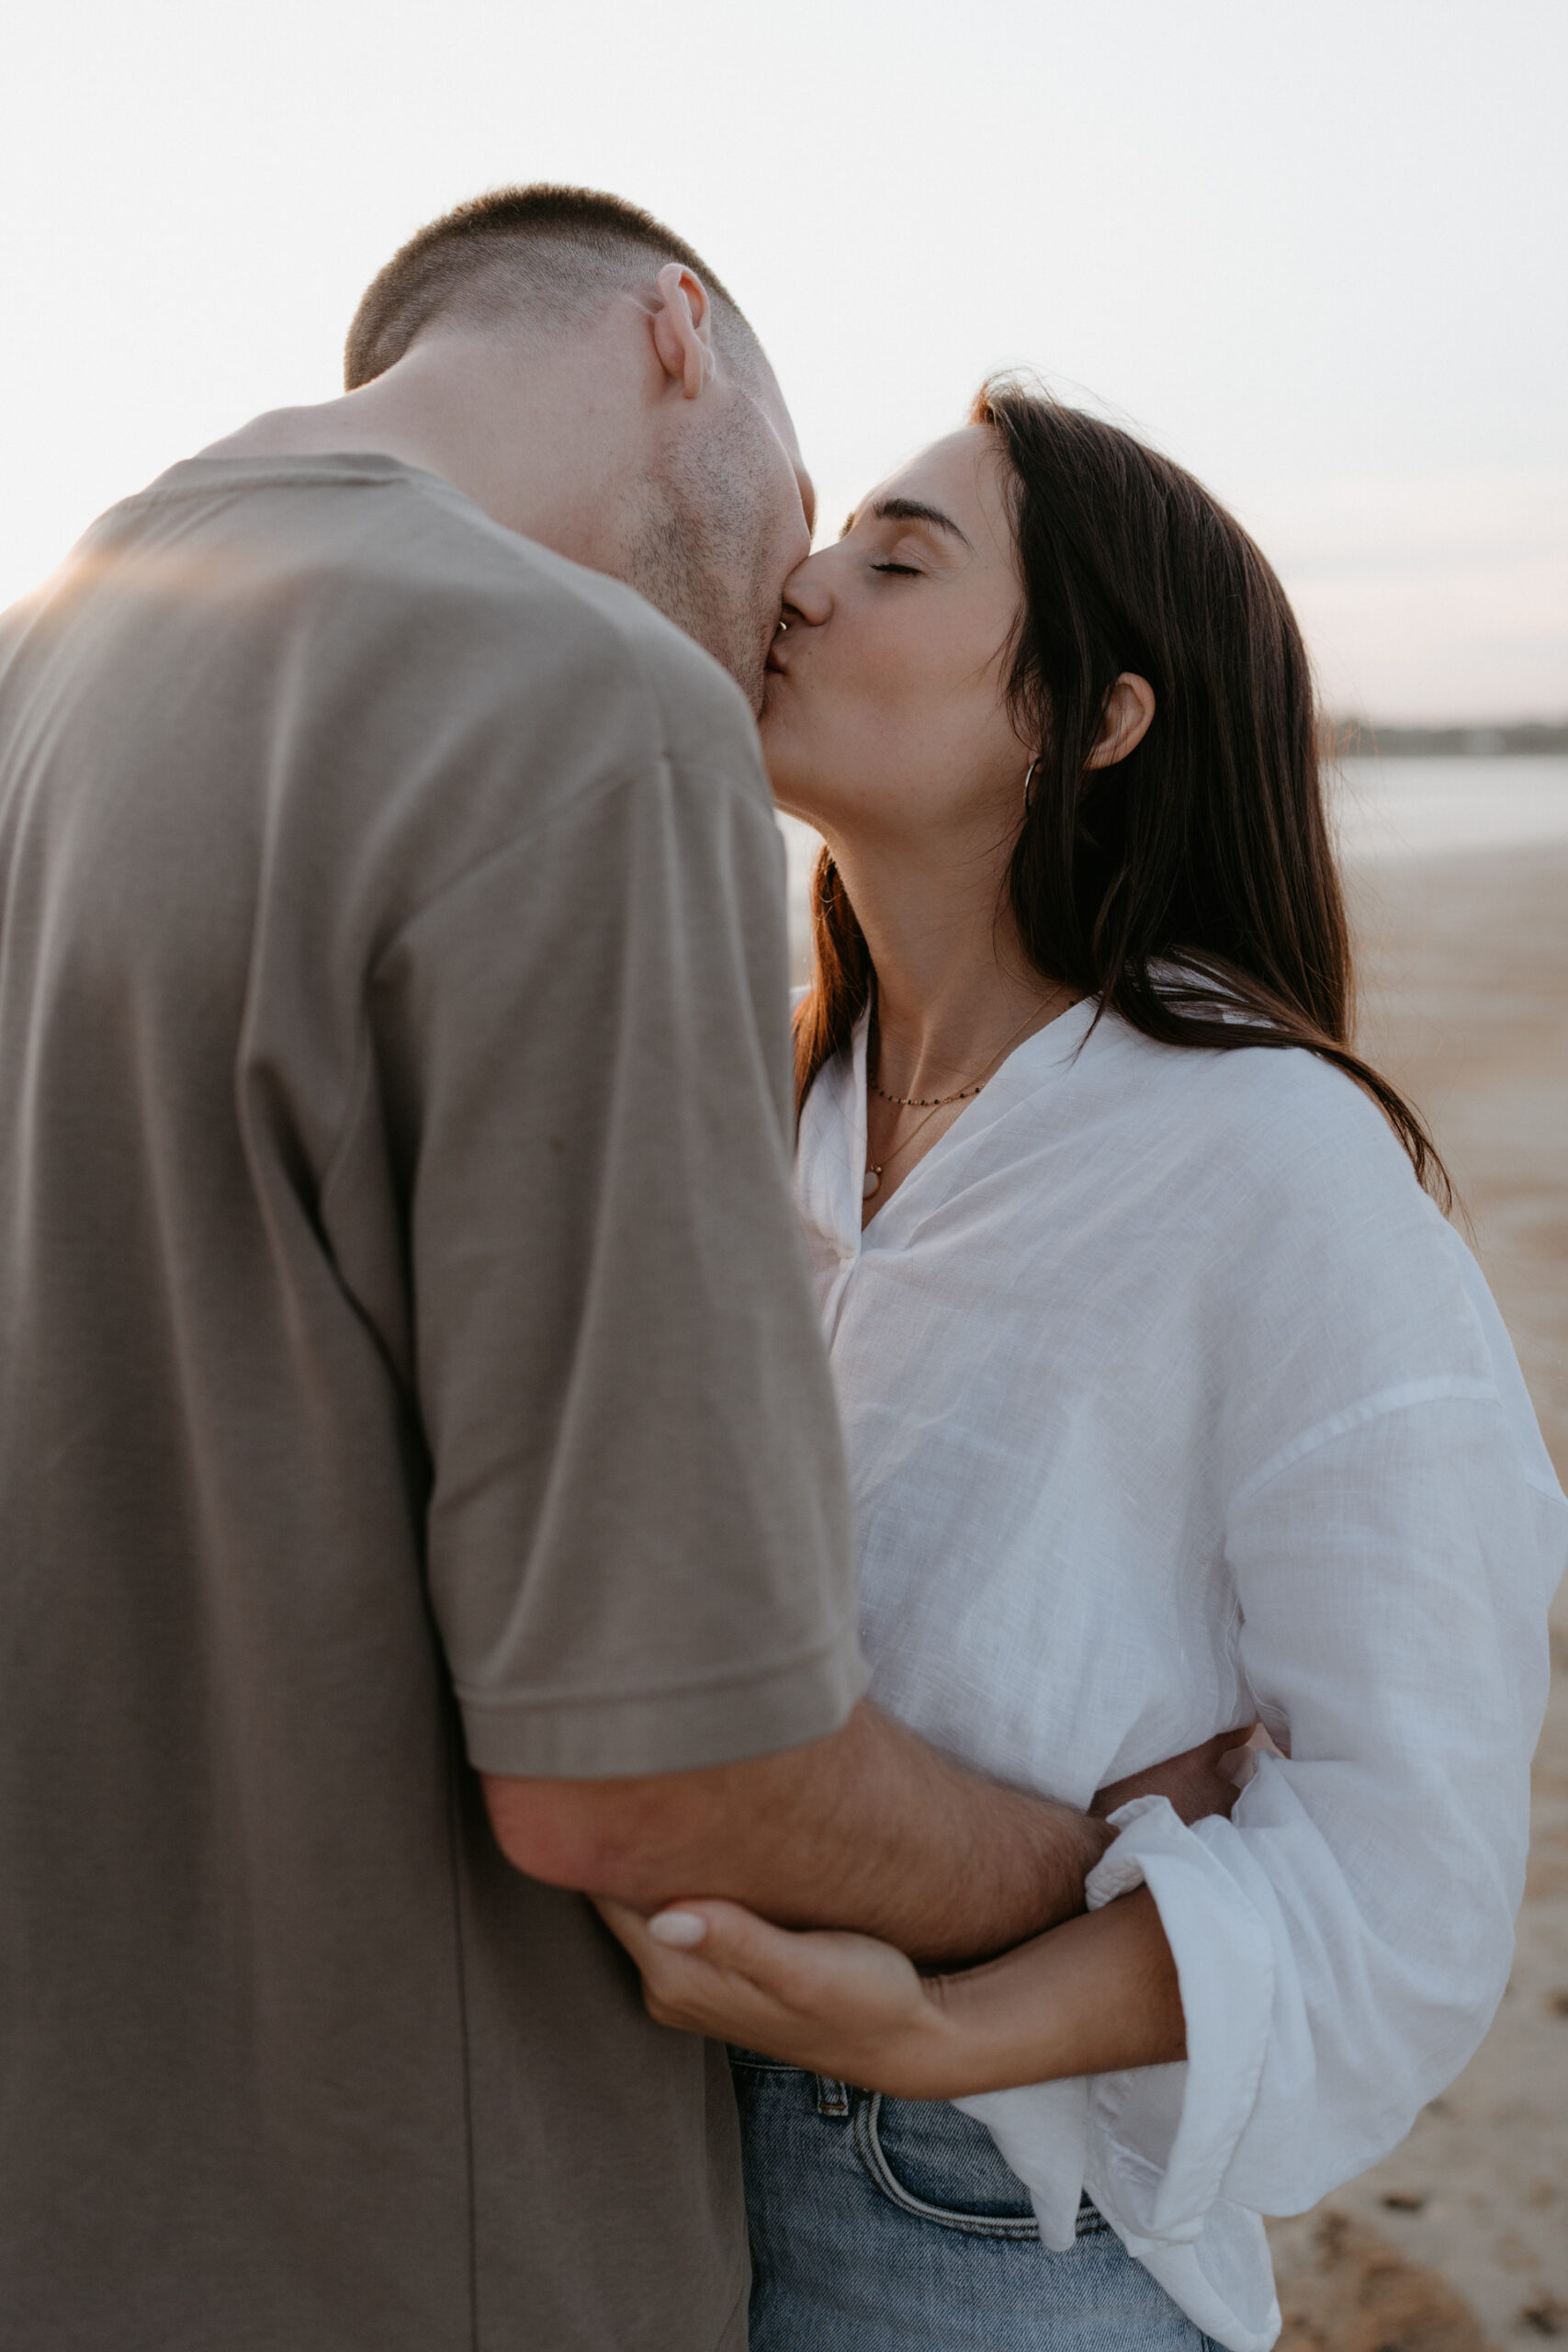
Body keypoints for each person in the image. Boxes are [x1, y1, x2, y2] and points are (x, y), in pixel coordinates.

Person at [0, 196, 1235, 2351]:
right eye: (804, 491)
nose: (791, 580)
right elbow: (651, 1769)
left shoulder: (53, 657)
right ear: (680, 336)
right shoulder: (571, 698)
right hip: (421, 2235)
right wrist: (1086, 1857)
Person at [601, 385, 1568, 2352]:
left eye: (895, 556)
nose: (796, 586)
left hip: (960, 2221)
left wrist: (943, 2019)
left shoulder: (1268, 1159)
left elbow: (1406, 1866)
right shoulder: (757, 1088)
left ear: (1090, 716)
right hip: (623, 2155)